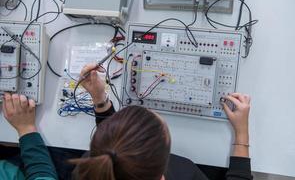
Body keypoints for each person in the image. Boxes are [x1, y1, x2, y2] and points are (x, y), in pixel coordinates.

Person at [0, 63, 252, 180]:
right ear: (163, 162)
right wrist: (242, 134)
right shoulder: (186, 173)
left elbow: (118, 146)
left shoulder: (88, 171)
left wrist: (100, 101)